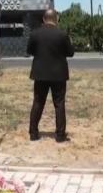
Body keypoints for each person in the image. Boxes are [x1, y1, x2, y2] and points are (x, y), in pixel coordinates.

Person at [27, 9, 75, 143]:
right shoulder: (62, 35)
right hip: (59, 74)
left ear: (43, 19)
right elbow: (70, 53)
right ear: (57, 19)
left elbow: (29, 51)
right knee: (59, 104)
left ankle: (33, 133)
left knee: (38, 102)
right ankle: (60, 135)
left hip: (40, 73)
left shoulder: (35, 34)